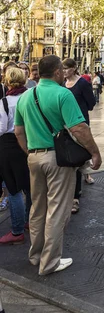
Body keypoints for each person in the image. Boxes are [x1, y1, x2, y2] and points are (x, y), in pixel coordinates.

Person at [14, 55, 102, 276]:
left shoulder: (26, 96)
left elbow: (18, 132)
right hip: (58, 160)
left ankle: (35, 256)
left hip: (33, 158)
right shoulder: (63, 94)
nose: (64, 73)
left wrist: (30, 152)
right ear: (56, 72)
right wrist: (94, 152)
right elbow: (79, 128)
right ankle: (50, 263)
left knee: (37, 209)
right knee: (57, 211)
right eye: (62, 70)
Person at [0, 67, 31, 245]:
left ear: (8, 81)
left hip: (10, 146)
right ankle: (29, 221)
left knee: (13, 189)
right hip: (30, 142)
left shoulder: (4, 102)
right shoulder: (31, 98)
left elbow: (2, 128)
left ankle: (17, 230)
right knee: (30, 186)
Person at [63, 58, 97, 213]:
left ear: (74, 68)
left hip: (80, 123)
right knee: (72, 159)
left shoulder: (82, 83)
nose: (64, 71)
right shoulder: (61, 84)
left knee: (77, 160)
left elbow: (91, 103)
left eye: (66, 68)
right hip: (64, 126)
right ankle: (84, 176)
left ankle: (75, 197)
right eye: (62, 69)